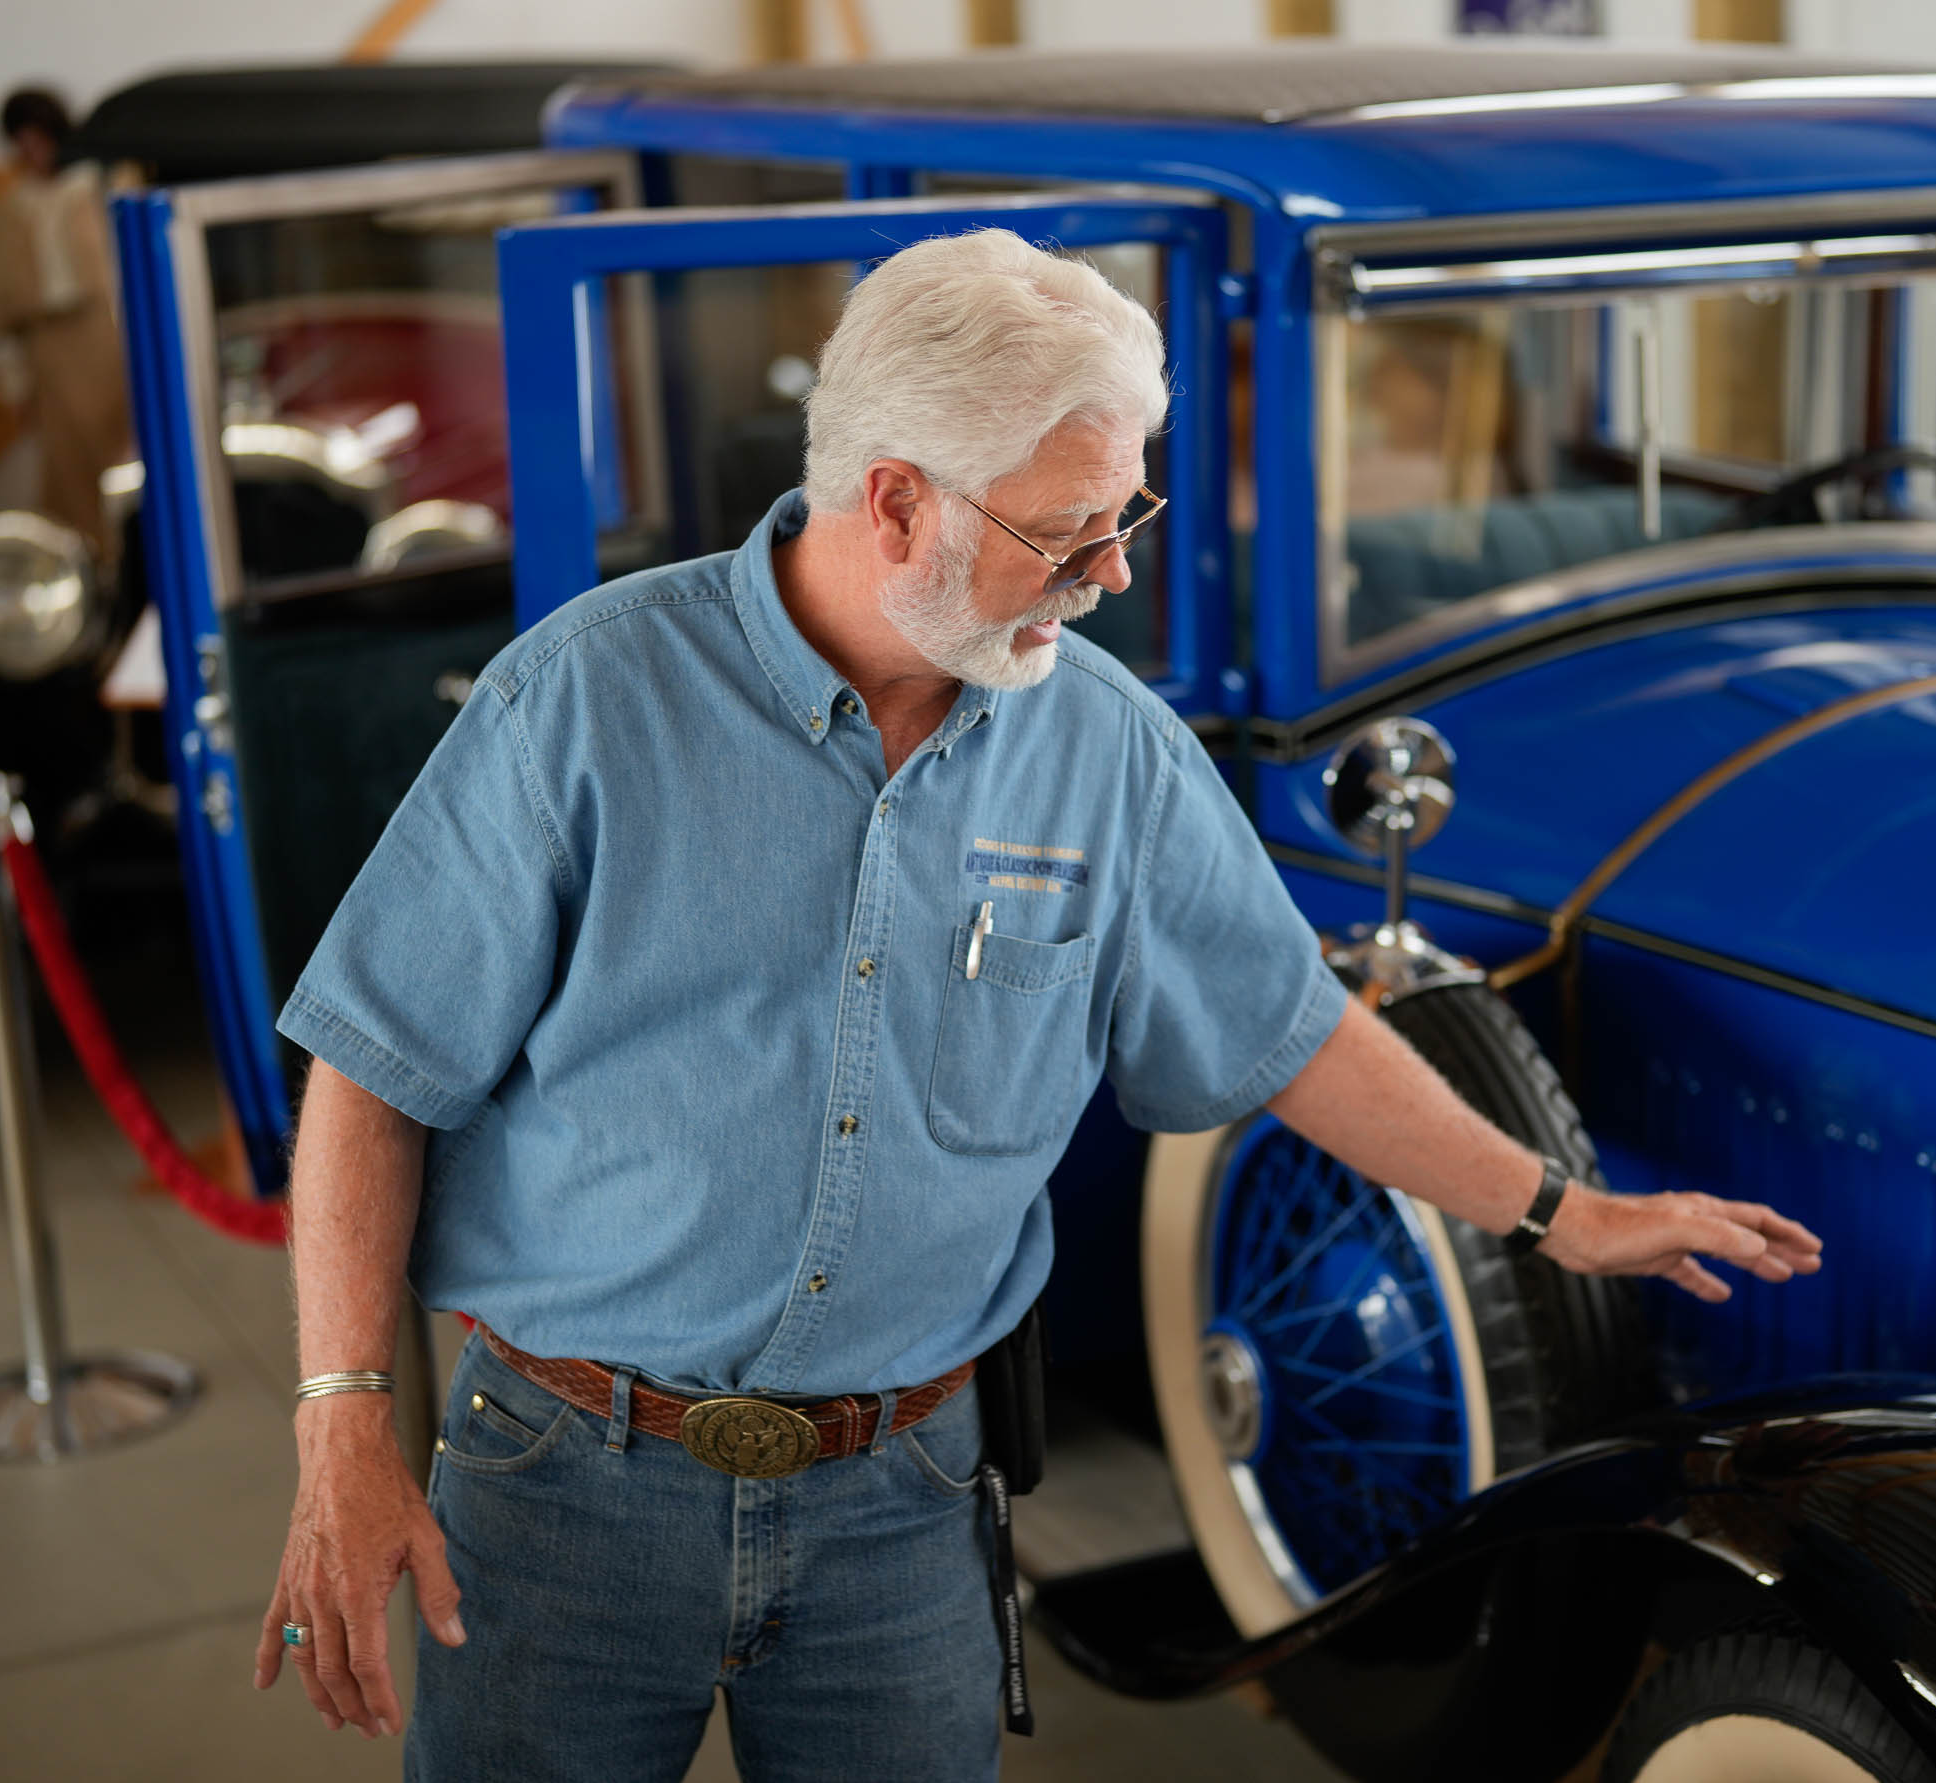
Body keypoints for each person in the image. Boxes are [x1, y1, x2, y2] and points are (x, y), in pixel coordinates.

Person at [253, 228, 1822, 1782]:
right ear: (895, 501)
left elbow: (1295, 1032)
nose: (1115, 570)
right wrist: (344, 1424)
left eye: (1124, 511)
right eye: (1072, 527)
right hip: (567, 1484)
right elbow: (373, 1071)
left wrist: (1563, 1211)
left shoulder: (1111, 752)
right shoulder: (583, 701)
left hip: (903, 1502)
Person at [0, 86, 130, 557]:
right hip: (50, 350)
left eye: (37, 139)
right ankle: (86, 568)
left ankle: (131, 559)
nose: (31, 152)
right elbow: (4, 309)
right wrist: (14, 383)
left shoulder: (102, 186)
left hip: (107, 342)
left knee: (121, 457)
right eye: (21, 143)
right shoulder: (12, 210)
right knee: (67, 473)